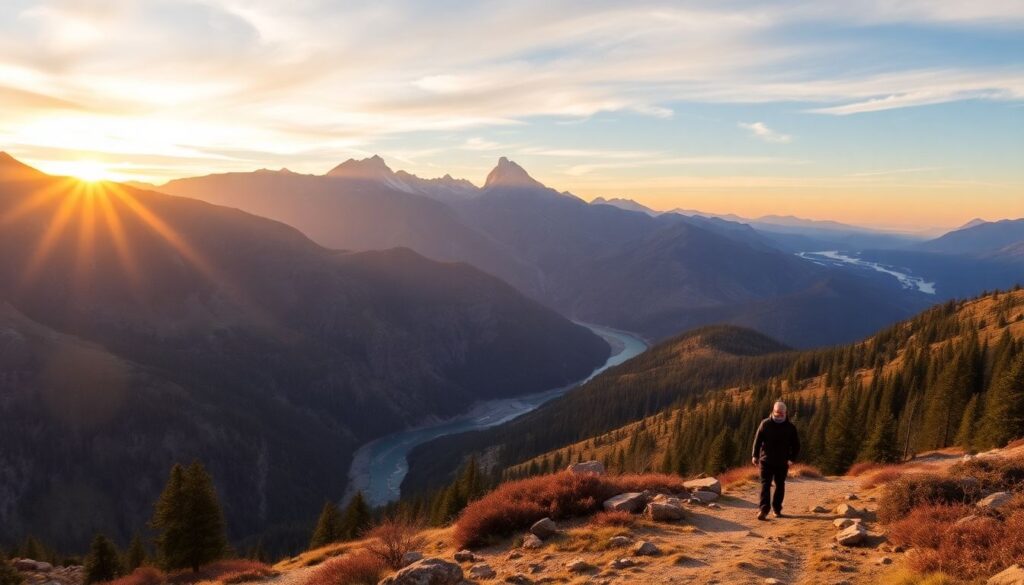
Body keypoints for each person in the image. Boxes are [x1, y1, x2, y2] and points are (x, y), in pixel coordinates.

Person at [751, 400, 800, 521]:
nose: (779, 415)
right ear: (773, 411)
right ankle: (763, 509)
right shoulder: (765, 424)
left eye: (781, 413)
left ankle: (777, 509)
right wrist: (755, 456)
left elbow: (796, 445)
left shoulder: (790, 427)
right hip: (765, 460)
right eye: (777, 412)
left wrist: (791, 459)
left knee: (780, 485)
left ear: (785, 413)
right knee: (765, 485)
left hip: (782, 462)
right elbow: (757, 441)